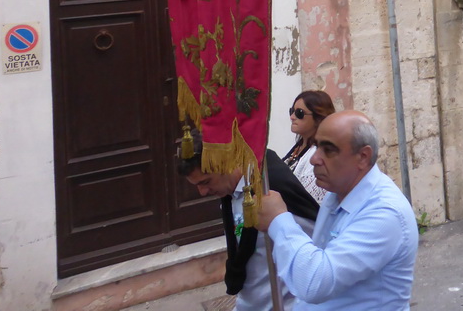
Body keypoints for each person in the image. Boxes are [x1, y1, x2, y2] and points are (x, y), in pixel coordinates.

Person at [258, 111, 419, 310]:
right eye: (317, 146)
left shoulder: (385, 212)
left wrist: (278, 220)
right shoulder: (337, 193)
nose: (314, 159)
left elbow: (315, 283)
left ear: (363, 157)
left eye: (329, 150)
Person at [178, 132, 319, 311]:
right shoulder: (229, 194)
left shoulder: (271, 187)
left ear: (226, 164)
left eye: (206, 182)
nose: (202, 192)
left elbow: (315, 243)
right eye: (197, 185)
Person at [282, 90, 336, 203]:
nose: (292, 117)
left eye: (299, 113)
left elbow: (308, 199)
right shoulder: (297, 148)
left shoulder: (318, 155)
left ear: (318, 117)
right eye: (292, 111)